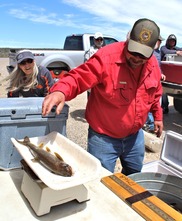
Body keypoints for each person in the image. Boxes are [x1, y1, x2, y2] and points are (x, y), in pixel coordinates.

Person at [42, 18, 163, 176]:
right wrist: (60, 91)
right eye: (133, 51)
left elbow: (155, 92)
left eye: (143, 55)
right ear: (128, 40)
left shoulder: (152, 63)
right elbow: (79, 77)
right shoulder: (106, 57)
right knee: (100, 181)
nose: (137, 58)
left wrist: (158, 116)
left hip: (135, 138)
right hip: (103, 139)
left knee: (134, 178)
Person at [144, 35, 165, 133]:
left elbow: (158, 66)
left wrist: (160, 74)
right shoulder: (148, 52)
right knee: (148, 101)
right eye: (157, 40)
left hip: (156, 81)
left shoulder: (158, 53)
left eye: (160, 41)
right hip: (148, 80)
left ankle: (152, 124)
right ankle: (150, 124)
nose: (158, 43)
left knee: (155, 102)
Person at [160, 34, 182, 114]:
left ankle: (165, 107)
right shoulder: (163, 48)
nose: (172, 42)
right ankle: (164, 107)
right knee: (163, 92)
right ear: (167, 41)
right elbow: (166, 52)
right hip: (163, 74)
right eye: (170, 40)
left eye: (173, 41)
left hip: (173, 76)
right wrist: (177, 52)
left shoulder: (176, 48)